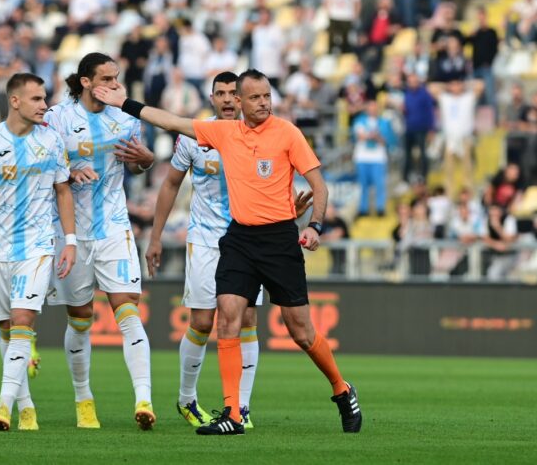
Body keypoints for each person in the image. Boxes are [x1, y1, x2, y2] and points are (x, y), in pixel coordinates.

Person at [94, 68, 362, 435]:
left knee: (300, 331)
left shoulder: (287, 132)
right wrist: (123, 103)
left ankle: (341, 388)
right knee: (228, 318)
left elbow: (319, 185)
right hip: (239, 239)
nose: (263, 102)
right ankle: (233, 414)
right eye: (255, 97)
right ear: (239, 101)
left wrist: (314, 226)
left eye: (267, 95)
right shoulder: (224, 133)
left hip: (280, 240)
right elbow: (171, 121)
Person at [145, 71, 313, 429]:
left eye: (232, 93)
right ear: (211, 98)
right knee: (203, 322)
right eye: (219, 93)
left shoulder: (262, 134)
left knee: (247, 320)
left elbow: (276, 182)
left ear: (242, 99)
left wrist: (289, 213)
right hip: (206, 239)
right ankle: (187, 399)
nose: (225, 99)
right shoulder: (197, 136)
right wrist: (156, 236)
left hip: (251, 240)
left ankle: (241, 408)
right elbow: (171, 184)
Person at [0, 73, 77, 431]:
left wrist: (69, 241)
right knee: (7, 327)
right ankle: (26, 405)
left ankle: (3, 405)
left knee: (24, 319)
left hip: (38, 246)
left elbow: (63, 192)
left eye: (45, 99)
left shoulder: (53, 141)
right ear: (15, 101)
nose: (44, 105)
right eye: (37, 99)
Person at [44, 52, 156, 430]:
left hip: (113, 227)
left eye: (117, 78)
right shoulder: (57, 118)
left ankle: (144, 399)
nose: (115, 85)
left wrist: (145, 159)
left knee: (127, 311)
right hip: (70, 233)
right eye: (107, 79)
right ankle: (83, 399)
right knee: (80, 319)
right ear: (86, 81)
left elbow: (138, 162)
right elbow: (40, 168)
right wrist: (69, 171)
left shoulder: (125, 116)